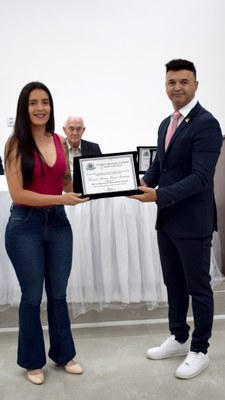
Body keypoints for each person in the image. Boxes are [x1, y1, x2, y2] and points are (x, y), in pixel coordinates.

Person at [131, 59, 222, 379]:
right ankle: (180, 337)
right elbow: (161, 169)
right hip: (168, 219)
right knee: (174, 283)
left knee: (199, 288)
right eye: (171, 82)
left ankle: (200, 349)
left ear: (196, 84)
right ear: (165, 85)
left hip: (194, 222)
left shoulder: (207, 124)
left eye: (184, 81)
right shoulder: (165, 123)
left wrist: (157, 194)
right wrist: (137, 183)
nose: (177, 87)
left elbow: (200, 178)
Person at [4, 81, 89, 385]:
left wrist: (90, 187)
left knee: (58, 293)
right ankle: (31, 361)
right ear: (24, 108)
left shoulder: (58, 139)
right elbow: (19, 193)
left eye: (45, 102)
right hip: (24, 225)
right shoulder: (15, 144)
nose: (40, 108)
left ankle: (64, 354)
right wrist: (61, 198)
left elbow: (65, 181)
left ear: (51, 108)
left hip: (58, 224)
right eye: (33, 103)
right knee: (30, 297)